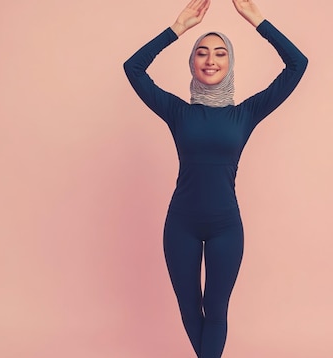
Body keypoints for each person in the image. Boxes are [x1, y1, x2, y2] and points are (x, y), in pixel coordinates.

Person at [123, 0, 308, 357]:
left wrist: (257, 20)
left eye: (221, 53)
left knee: (217, 311)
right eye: (203, 53)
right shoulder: (177, 111)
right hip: (181, 224)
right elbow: (133, 68)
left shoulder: (247, 114)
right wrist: (178, 28)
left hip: (226, 227)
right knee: (190, 309)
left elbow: (298, 64)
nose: (211, 60)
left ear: (230, 63)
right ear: (191, 62)